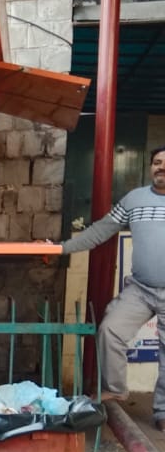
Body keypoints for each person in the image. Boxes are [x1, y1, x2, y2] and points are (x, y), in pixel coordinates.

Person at [59, 146, 165, 425]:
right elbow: (101, 230)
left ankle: (163, 411)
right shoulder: (135, 199)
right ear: (150, 167)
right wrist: (63, 248)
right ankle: (116, 390)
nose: (161, 167)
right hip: (141, 289)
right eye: (157, 162)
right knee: (110, 330)